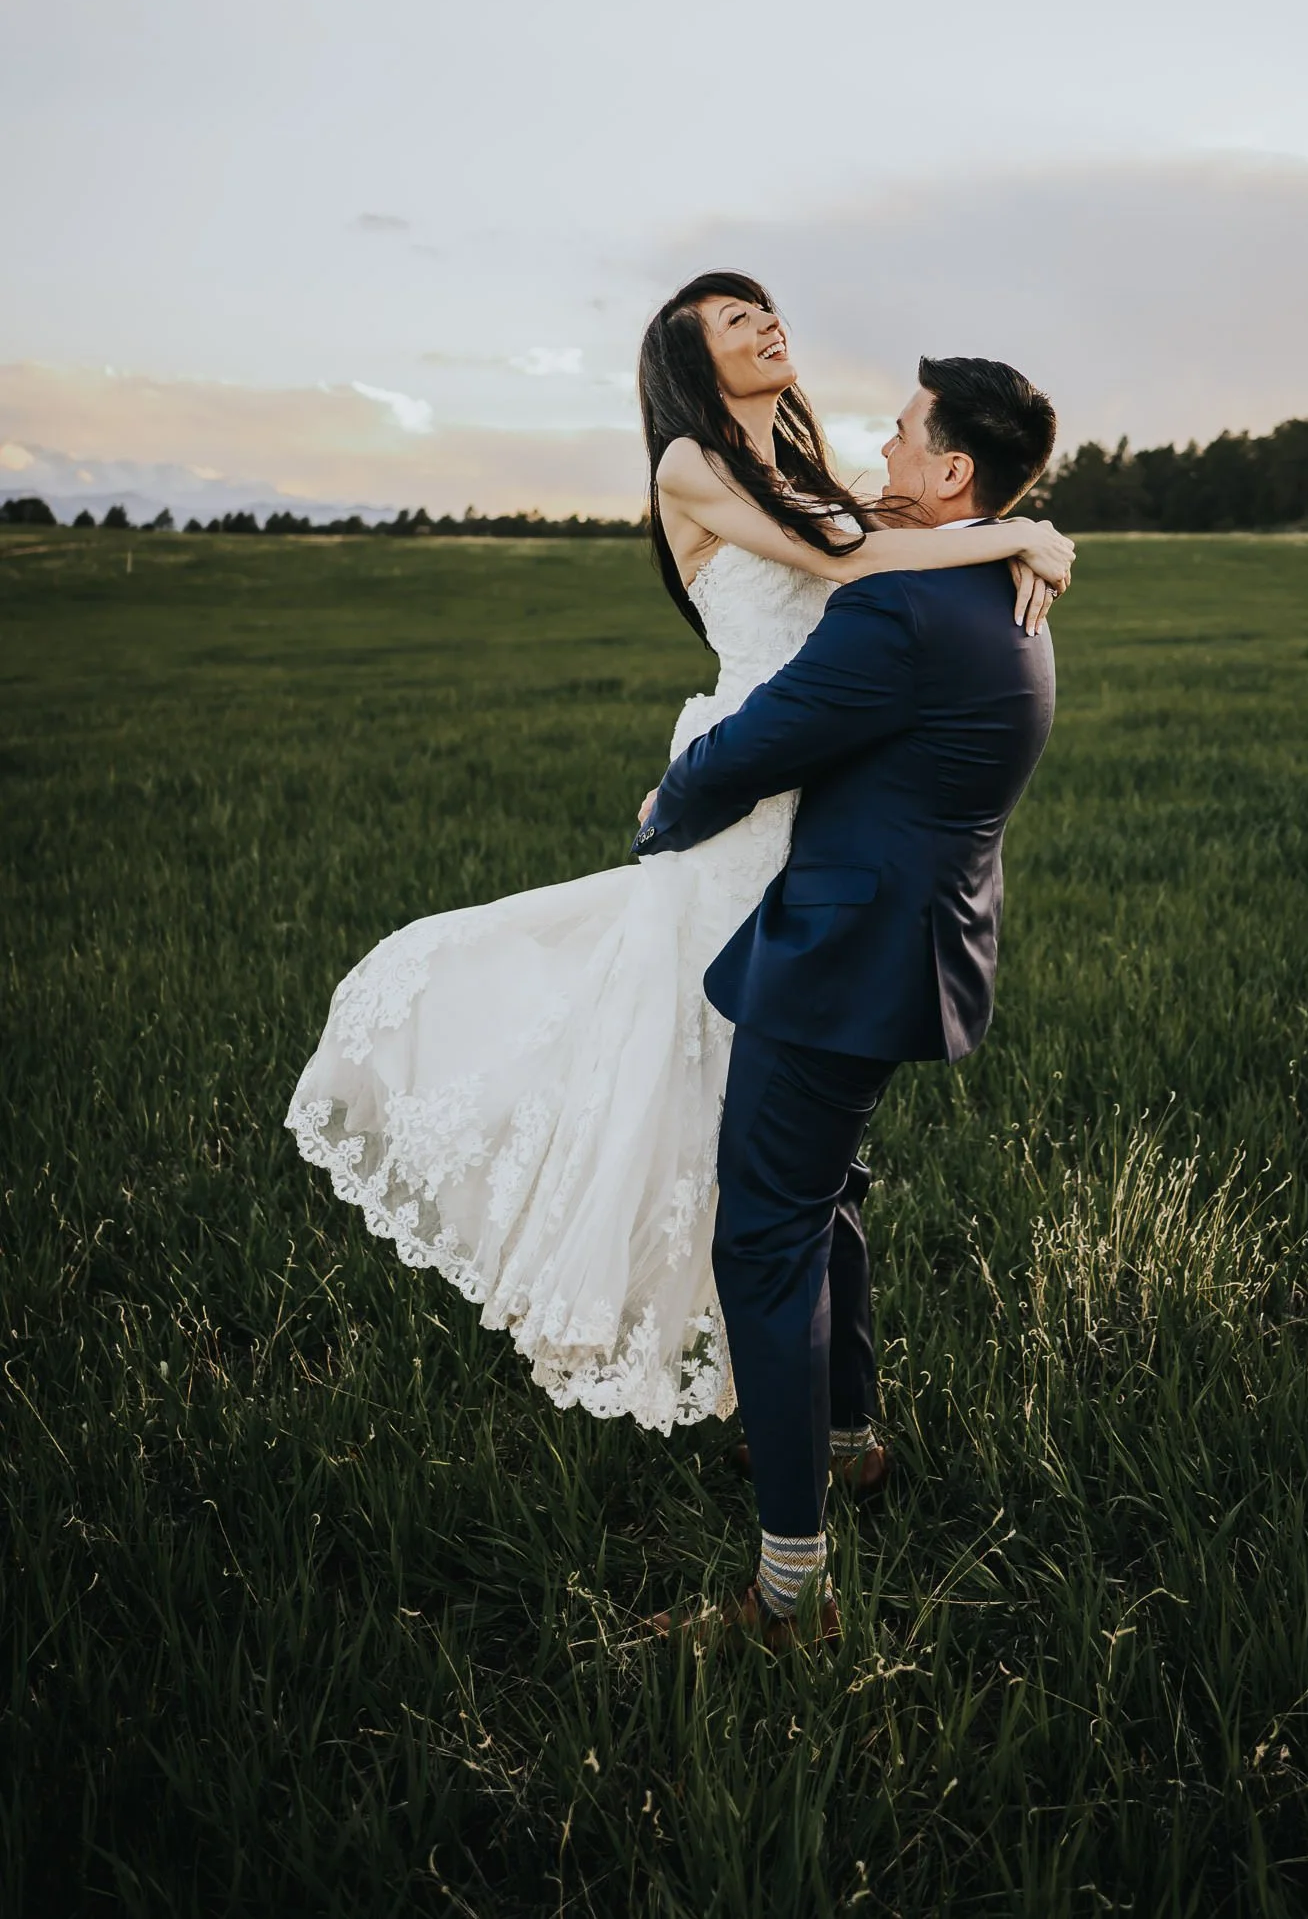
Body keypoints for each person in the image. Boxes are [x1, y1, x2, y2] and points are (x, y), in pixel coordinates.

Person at [285, 273, 1071, 1440]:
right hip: (752, 773)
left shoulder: (817, 474)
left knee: (790, 1134)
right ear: (697, 368)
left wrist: (1030, 526)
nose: (765, 323)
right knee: (685, 1073)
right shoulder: (688, 466)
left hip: (819, 784)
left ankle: (830, 1413)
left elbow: (914, 517)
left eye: (762, 306)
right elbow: (857, 565)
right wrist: (1024, 531)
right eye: (733, 322)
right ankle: (701, 1344)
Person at [635, 348, 1060, 1646]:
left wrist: (668, 804)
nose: (880, 452)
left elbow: (760, 746)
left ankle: (787, 1593)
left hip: (840, 960)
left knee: (760, 1233)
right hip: (910, 940)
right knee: (824, 1202)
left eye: (900, 435)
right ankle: (849, 1437)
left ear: (950, 471)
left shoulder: (901, 613)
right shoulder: (998, 584)